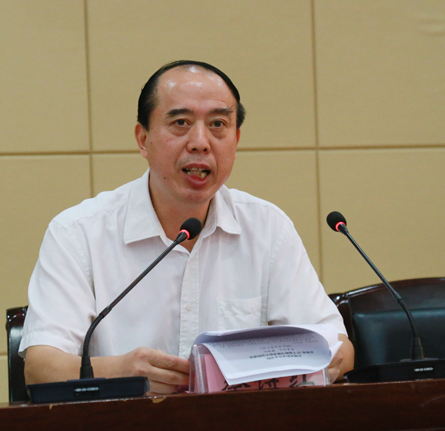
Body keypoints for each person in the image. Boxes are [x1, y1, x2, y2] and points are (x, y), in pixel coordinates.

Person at [21, 60, 354, 394]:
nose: (200, 142)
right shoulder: (78, 233)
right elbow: (40, 368)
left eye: (218, 124)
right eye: (180, 123)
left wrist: (312, 362)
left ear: (236, 140)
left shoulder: (267, 228)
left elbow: (341, 348)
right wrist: (120, 371)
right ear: (143, 139)